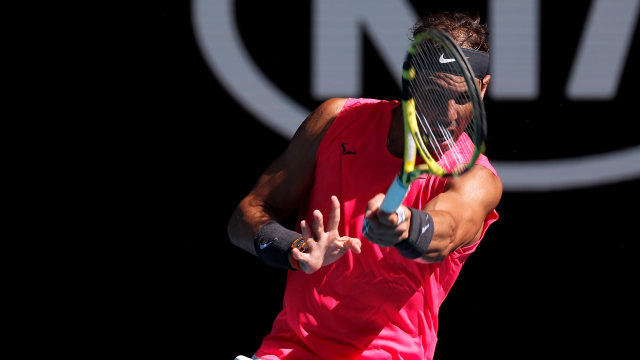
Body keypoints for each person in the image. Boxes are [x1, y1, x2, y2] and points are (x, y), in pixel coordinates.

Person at [228, 12, 502, 360]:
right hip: (290, 350)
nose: (448, 114)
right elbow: (245, 217)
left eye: (463, 98)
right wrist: (295, 249)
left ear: (482, 88)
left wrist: (406, 228)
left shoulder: (477, 179)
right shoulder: (336, 121)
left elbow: (446, 231)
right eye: (434, 94)